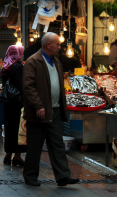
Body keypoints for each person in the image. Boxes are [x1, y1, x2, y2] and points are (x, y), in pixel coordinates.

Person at [22, 32, 79, 187]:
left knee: (57, 144)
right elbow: (28, 87)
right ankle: (30, 176)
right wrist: (38, 105)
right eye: (58, 44)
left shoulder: (57, 62)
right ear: (48, 45)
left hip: (55, 110)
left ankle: (63, 176)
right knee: (35, 145)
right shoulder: (33, 61)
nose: (60, 47)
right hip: (39, 112)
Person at [1, 45, 27, 166]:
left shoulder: (5, 66)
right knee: (18, 129)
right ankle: (17, 156)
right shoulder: (18, 66)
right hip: (17, 103)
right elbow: (22, 86)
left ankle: (7, 156)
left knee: (9, 129)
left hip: (7, 103)